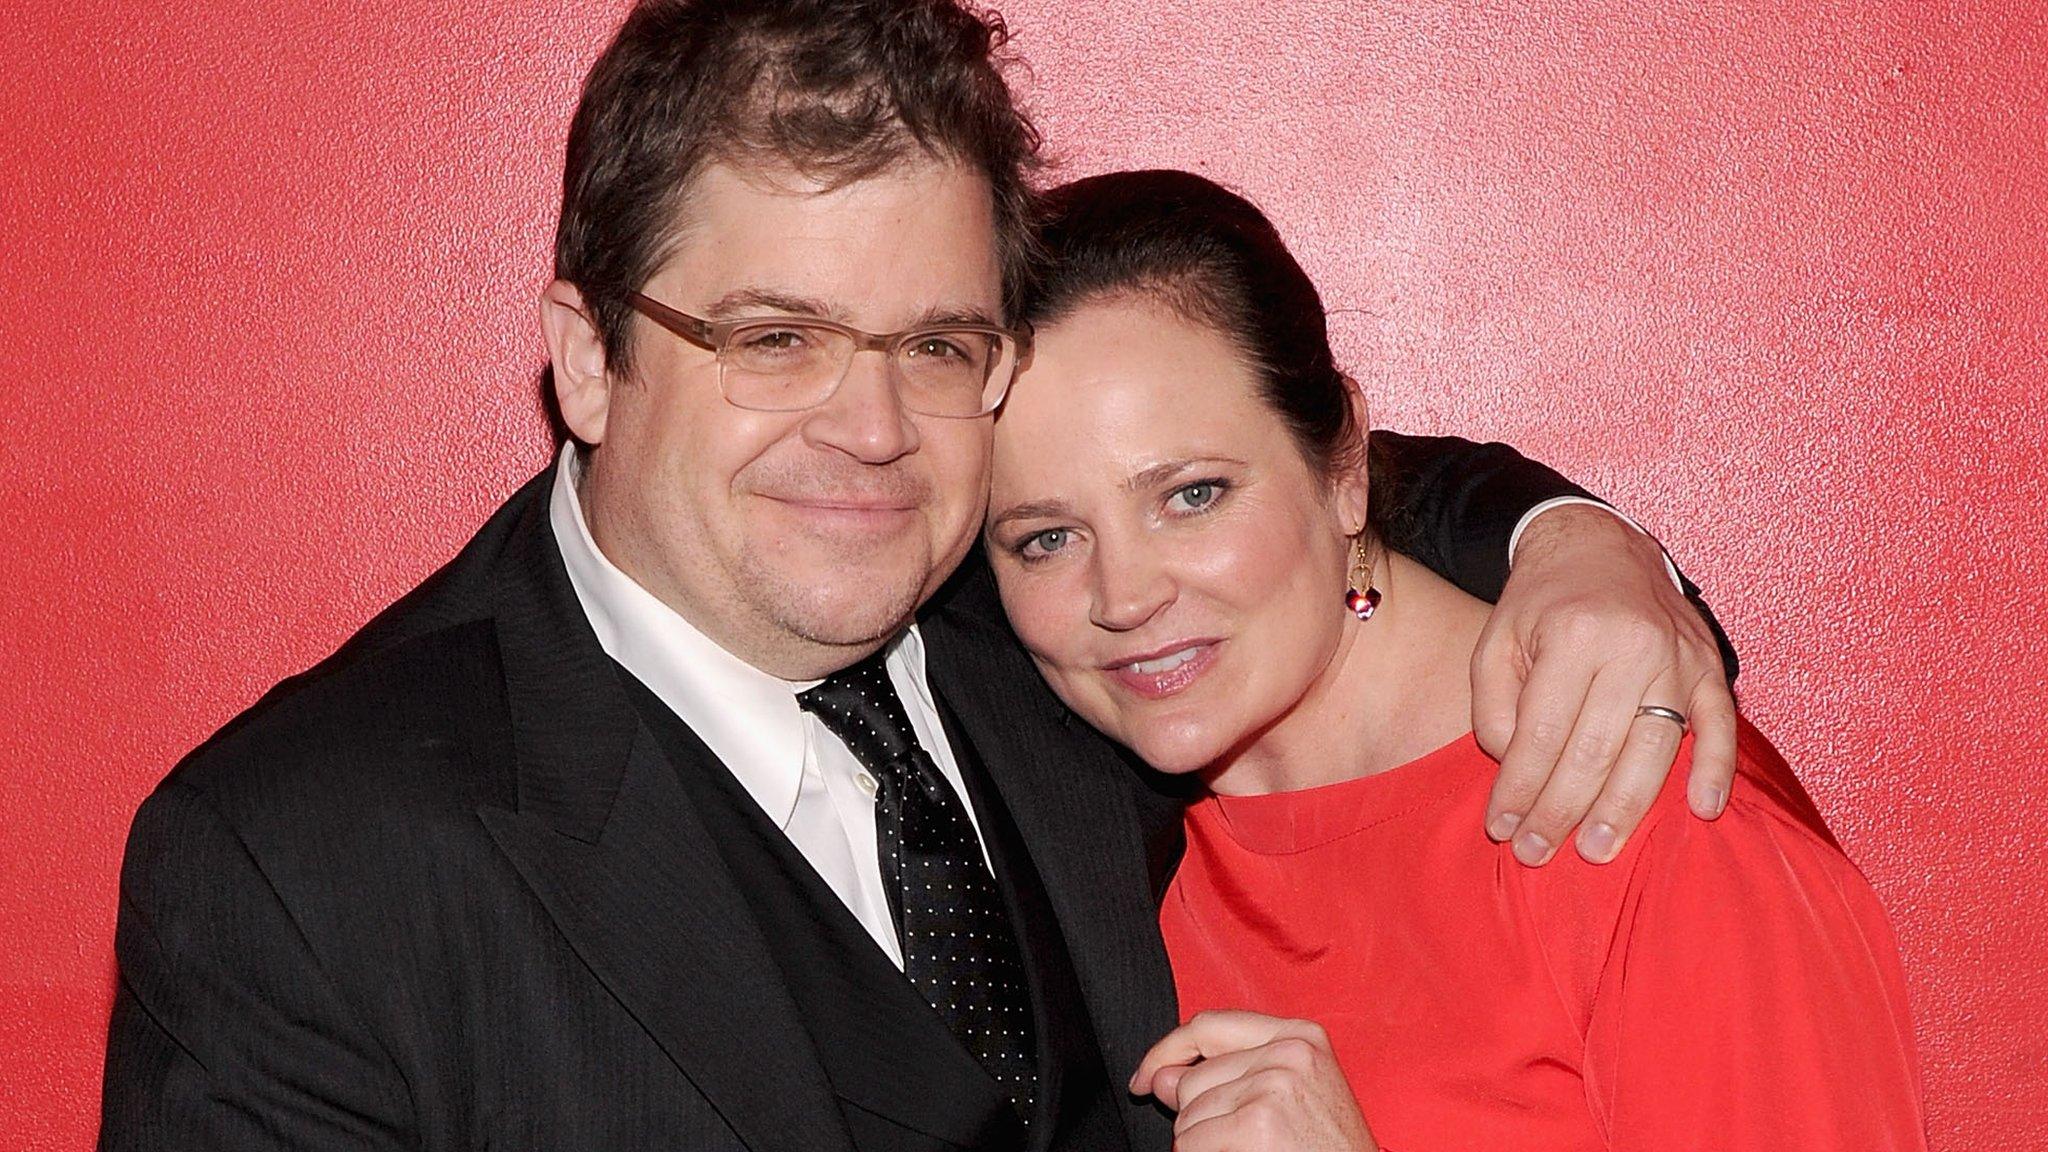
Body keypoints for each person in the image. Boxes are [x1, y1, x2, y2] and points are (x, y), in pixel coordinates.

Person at [98, 4, 1738, 1150]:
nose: (873, 430)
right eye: (775, 338)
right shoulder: (299, 864)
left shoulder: (1047, 609)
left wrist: (1574, 549)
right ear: (588, 356)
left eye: (937, 343)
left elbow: (1271, 480)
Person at [984, 168, 1926, 1151]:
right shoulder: (1070, 824)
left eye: (1192, 495)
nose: (1123, 596)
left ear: (1341, 466)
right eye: (1044, 538)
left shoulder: (1642, 814)